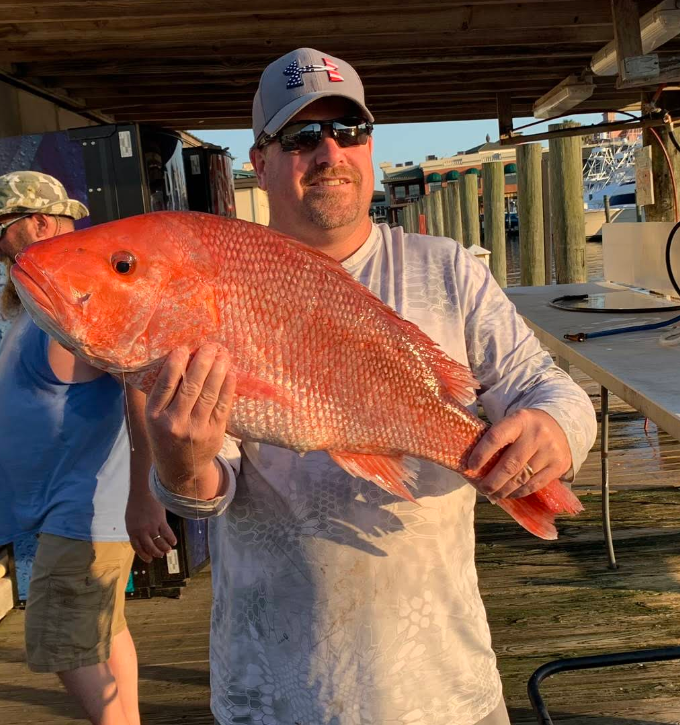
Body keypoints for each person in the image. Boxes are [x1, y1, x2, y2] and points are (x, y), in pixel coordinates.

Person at [135, 49, 597, 725]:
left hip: (444, 687)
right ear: (260, 159)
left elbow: (545, 386)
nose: (330, 152)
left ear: (369, 145)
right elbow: (208, 494)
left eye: (349, 131)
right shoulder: (219, 284)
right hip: (276, 691)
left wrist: (553, 430)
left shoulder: (447, 270)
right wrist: (179, 463)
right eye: (301, 136)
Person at [0, 171, 174, 725]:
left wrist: (146, 496)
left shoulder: (79, 295)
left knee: (62, 642)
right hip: (69, 512)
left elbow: (140, 387)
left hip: (83, 515)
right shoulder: (37, 302)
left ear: (38, 223)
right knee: (103, 630)